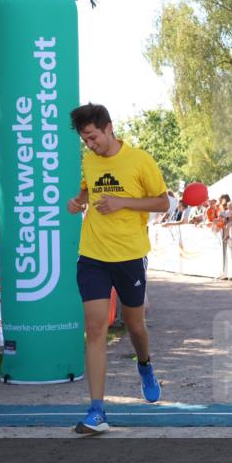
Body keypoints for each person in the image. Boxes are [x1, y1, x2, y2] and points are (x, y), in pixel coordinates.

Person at [65, 103, 169, 435]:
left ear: (108, 127)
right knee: (95, 330)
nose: (91, 145)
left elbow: (163, 202)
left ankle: (145, 366)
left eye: (93, 137)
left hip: (129, 255)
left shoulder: (140, 160)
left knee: (135, 327)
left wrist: (123, 202)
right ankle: (97, 411)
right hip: (92, 254)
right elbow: (87, 188)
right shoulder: (90, 161)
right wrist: (78, 201)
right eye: (85, 140)